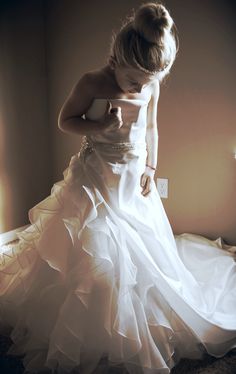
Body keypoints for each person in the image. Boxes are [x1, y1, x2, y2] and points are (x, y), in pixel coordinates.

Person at [0, 2, 236, 374]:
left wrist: (151, 166)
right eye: (134, 82)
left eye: (146, 82)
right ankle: (91, 324)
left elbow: (152, 127)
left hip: (133, 177)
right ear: (115, 60)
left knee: (146, 258)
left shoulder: (150, 83)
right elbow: (66, 121)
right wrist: (99, 127)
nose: (141, 88)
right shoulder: (92, 82)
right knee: (93, 253)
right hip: (95, 178)